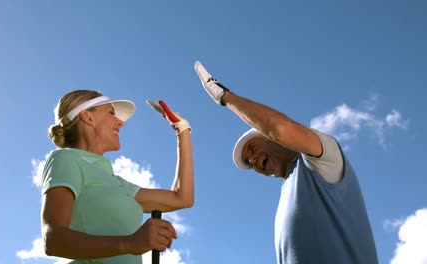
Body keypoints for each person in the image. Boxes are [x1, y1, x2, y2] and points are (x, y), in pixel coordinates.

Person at [194, 61, 378, 264]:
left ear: (271, 138)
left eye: (253, 149)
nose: (253, 160)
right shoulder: (285, 196)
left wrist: (225, 97)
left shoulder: (322, 160)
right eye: (248, 161)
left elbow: (280, 128)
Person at [40, 90, 194, 264]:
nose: (120, 123)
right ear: (88, 117)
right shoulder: (66, 159)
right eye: (111, 113)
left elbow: (182, 198)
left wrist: (182, 131)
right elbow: (53, 240)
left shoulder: (118, 184)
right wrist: (128, 244)